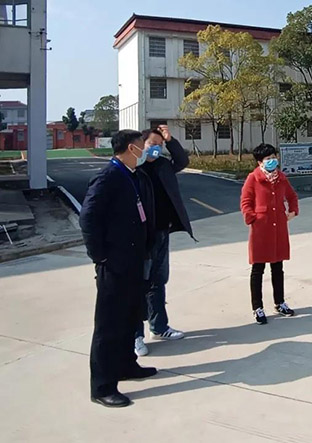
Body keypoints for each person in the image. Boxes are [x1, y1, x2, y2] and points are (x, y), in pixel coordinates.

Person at [79, 130, 157, 408]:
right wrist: (100, 256)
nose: (144, 150)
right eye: (141, 146)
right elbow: (88, 218)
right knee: (109, 324)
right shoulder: (108, 177)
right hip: (114, 263)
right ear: (130, 148)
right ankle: (102, 387)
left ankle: (126, 365)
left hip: (133, 259)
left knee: (129, 317)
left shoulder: (132, 175)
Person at [133, 125, 194, 357]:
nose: (156, 148)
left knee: (159, 281)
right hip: (141, 236)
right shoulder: (135, 169)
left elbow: (182, 160)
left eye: (160, 145)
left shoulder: (163, 165)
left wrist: (170, 140)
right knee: (139, 284)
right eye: (152, 144)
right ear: (142, 145)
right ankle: (135, 335)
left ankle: (159, 327)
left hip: (161, 232)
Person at [240, 144, 299, 324]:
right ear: (260, 162)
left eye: (274, 157)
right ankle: (257, 307)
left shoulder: (281, 178)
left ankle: (279, 302)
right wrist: (253, 218)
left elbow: (292, 196)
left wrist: (293, 211)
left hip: (279, 228)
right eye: (268, 159)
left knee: (277, 267)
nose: (272, 161)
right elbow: (245, 201)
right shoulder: (253, 178)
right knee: (258, 269)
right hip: (261, 229)